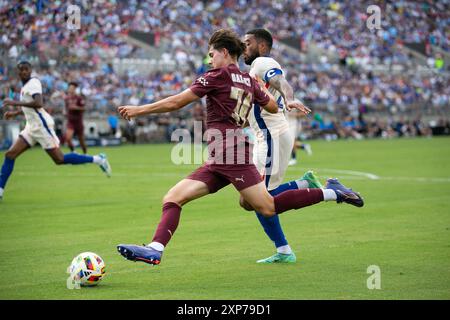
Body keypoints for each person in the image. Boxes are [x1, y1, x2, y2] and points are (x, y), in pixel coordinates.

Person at [116, 29, 363, 266]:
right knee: (174, 197)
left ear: (224, 52)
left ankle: (334, 193)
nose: (209, 59)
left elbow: (177, 101)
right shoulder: (250, 81)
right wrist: (242, 113)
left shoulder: (215, 77)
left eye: (211, 54)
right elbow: (273, 107)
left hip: (231, 152)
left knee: (266, 206)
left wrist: (140, 110)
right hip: (220, 155)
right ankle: (154, 250)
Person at [243, 28, 316, 263]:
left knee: (259, 198)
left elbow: (281, 81)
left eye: (248, 43)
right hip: (265, 137)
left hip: (271, 136)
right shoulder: (252, 72)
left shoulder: (263, 62)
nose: (244, 47)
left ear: (262, 46)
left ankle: (284, 250)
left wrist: (290, 96)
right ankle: (303, 184)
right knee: (251, 200)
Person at [0, 61, 112, 201]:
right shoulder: (24, 88)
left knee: (60, 159)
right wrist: (15, 113)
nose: (23, 72)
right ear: (18, 72)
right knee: (10, 155)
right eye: (21, 70)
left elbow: (38, 103)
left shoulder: (33, 83)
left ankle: (98, 159)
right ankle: (0, 190)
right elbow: (30, 108)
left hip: (42, 126)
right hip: (32, 127)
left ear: (30, 70)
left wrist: (15, 103)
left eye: (26, 69)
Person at [64, 82, 88, 154]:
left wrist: (76, 108)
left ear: (75, 89)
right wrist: (65, 112)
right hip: (71, 122)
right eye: (69, 88)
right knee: (68, 139)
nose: (70, 90)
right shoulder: (67, 99)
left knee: (82, 142)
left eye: (72, 88)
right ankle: (74, 152)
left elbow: (84, 108)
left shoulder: (79, 98)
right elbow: (66, 108)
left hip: (78, 122)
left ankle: (85, 154)